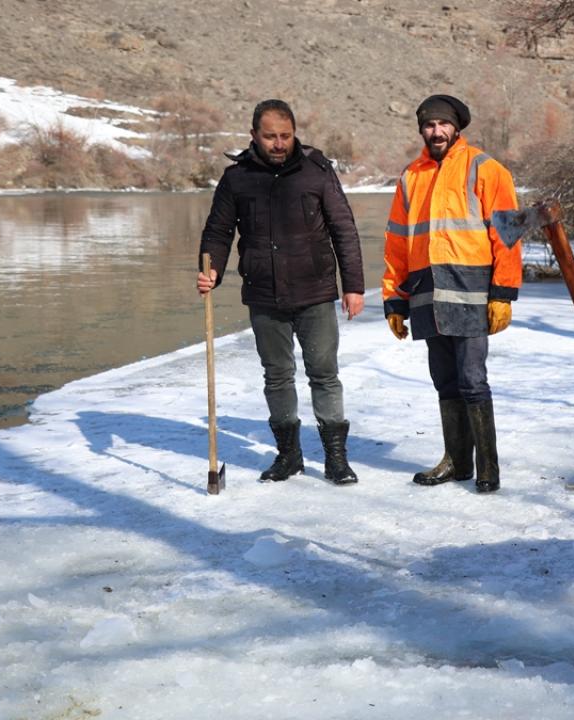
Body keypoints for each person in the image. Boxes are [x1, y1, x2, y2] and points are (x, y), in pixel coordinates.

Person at [197, 99, 366, 485]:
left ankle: (336, 459)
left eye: (285, 136)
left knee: (324, 374)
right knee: (277, 376)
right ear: (254, 135)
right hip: (263, 293)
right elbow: (218, 233)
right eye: (270, 136)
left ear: (294, 134)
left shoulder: (316, 171)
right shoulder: (236, 178)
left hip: (315, 290)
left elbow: (344, 229)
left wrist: (353, 286)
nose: (278, 143)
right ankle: (289, 456)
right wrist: (210, 272)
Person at [382, 94, 522, 494]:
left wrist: (503, 293)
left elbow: (508, 236)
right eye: (429, 125)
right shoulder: (411, 176)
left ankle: (487, 468)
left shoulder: (485, 168)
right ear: (421, 129)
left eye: (443, 124)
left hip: (473, 292)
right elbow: (396, 242)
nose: (436, 131)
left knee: (472, 380)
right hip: (427, 295)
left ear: (456, 127)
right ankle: (457, 462)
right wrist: (394, 298)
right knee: (444, 381)